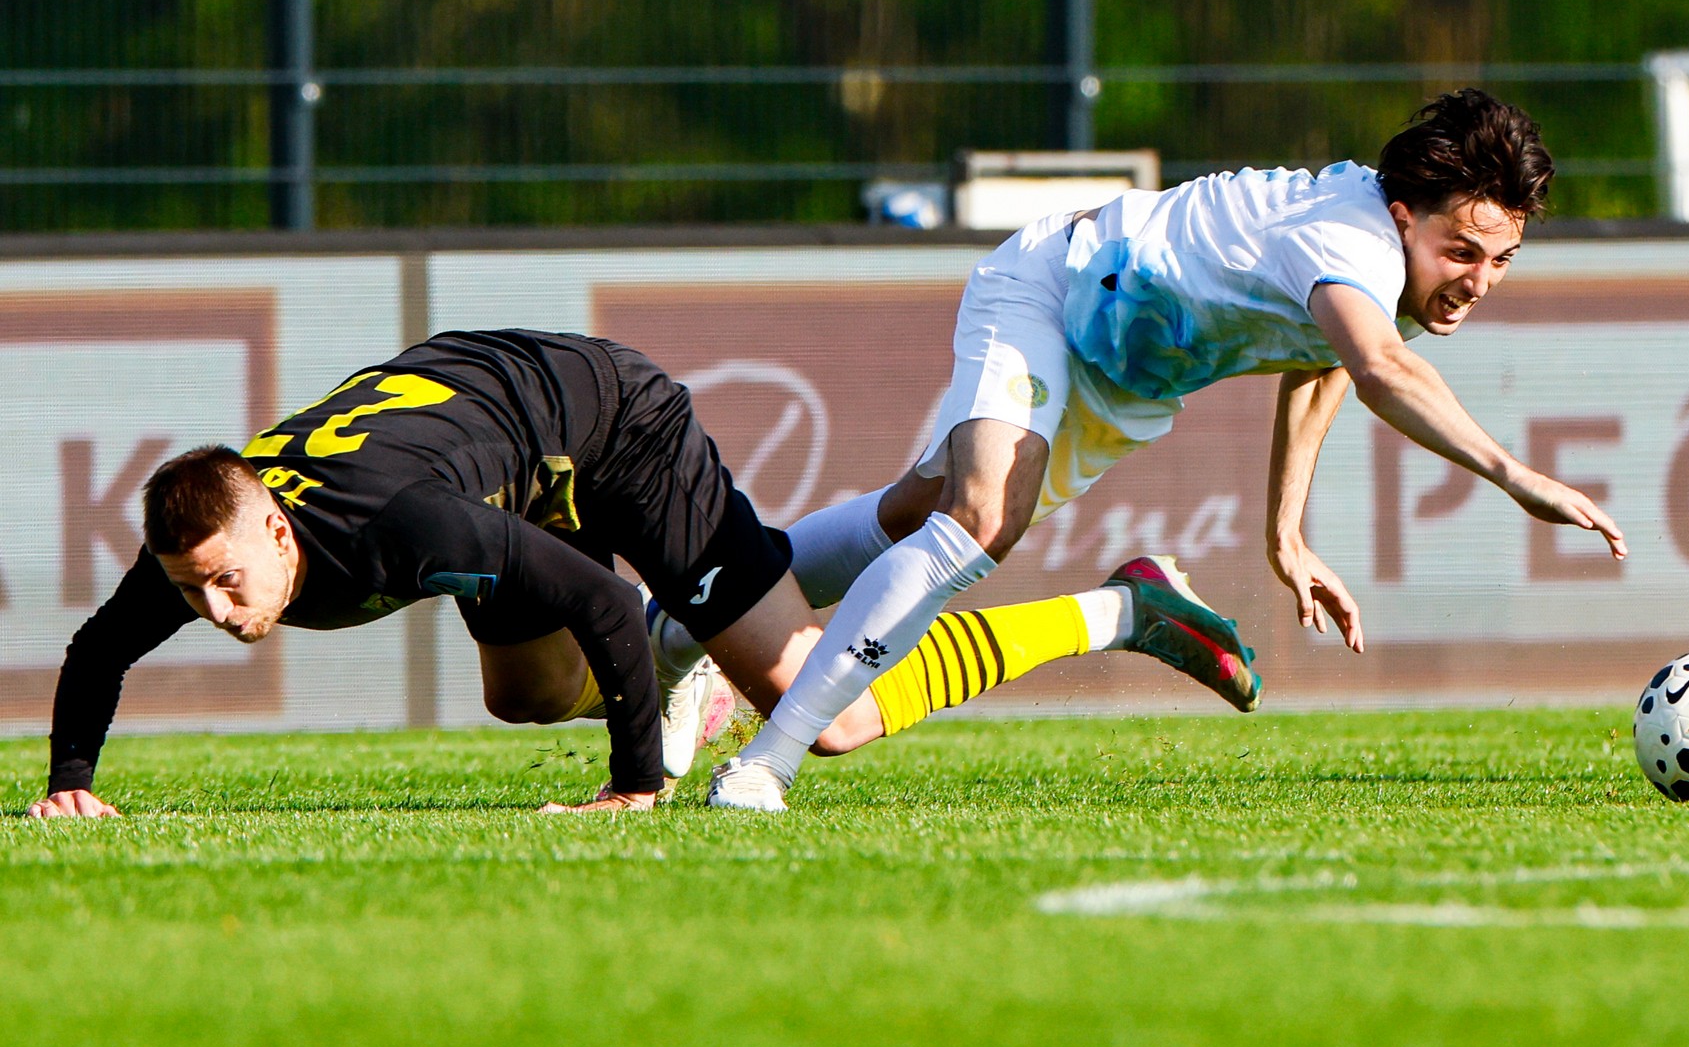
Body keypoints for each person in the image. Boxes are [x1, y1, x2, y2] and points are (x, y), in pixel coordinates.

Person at [704, 88, 1628, 811]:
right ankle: (763, 763)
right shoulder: (1353, 240)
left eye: (1500, 260)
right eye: (1463, 252)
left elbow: (1327, 364)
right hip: (1053, 289)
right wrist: (1514, 475)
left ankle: (684, 636)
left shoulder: (1407, 276)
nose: (1479, 281)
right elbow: (1379, 369)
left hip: (1126, 375)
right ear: (1400, 217)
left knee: (916, 515)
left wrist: (1285, 533)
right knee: (981, 519)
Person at [25, 328, 1255, 818]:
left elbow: (604, 597)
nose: (215, 609)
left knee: (827, 715)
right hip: (502, 443)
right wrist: (71, 784)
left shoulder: (404, 526)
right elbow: (96, 648)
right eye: (194, 591)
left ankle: (1126, 605)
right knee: (523, 695)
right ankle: (702, 639)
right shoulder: (214, 529)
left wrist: (634, 786)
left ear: (278, 529)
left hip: (616, 429)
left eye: (226, 581)